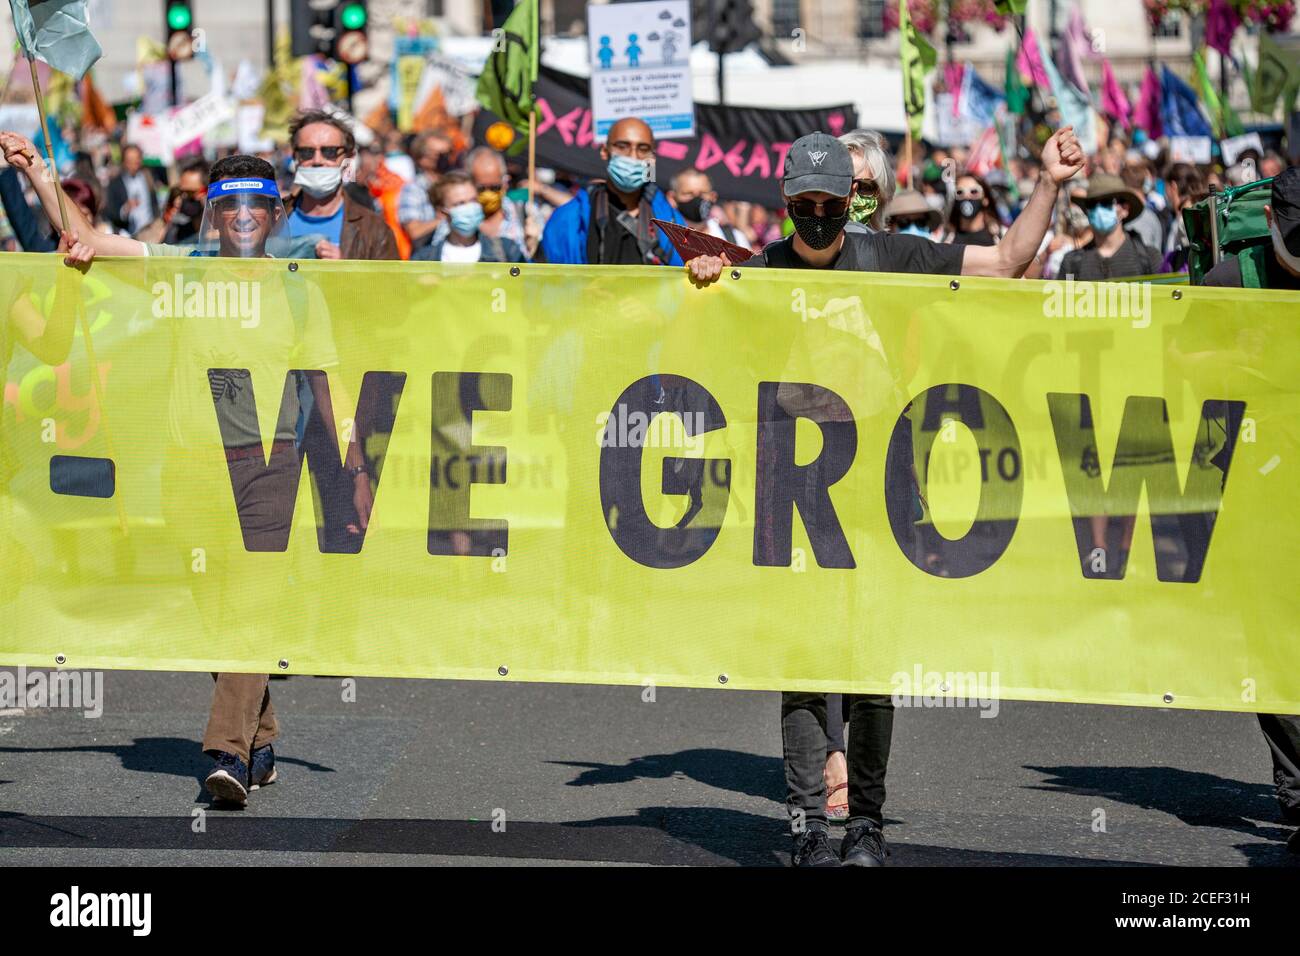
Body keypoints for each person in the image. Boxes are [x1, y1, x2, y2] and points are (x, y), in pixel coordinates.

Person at [687, 127, 1085, 867]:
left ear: (851, 203)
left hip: (879, 499)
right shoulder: (760, 271)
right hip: (798, 498)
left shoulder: (892, 257)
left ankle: (864, 825)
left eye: (830, 202)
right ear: (784, 204)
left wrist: (1049, 184)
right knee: (805, 670)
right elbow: (694, 348)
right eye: (802, 203)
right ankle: (807, 827)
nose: (817, 215)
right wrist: (705, 280)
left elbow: (1006, 261)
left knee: (871, 672)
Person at [0, 132, 373, 806]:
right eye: (229, 206)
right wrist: (36, 171)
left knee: (252, 605)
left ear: (274, 211)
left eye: (256, 204)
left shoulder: (298, 287)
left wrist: (355, 464)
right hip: (189, 464)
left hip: (270, 463)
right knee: (211, 613)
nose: (243, 217)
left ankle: (225, 755)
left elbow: (328, 380)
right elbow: (90, 237)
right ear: (212, 212)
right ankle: (260, 735)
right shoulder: (184, 265)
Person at [1194, 167, 1300, 856]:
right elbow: (1176, 364)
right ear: (1270, 227)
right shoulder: (1230, 283)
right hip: (1261, 493)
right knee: (1272, 642)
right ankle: (1296, 792)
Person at [539, 117, 686, 266]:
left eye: (643, 149)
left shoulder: (670, 220)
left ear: (652, 158)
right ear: (604, 151)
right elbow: (545, 281)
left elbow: (687, 272)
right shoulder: (569, 219)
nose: (633, 156)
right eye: (623, 146)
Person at [284, 110, 399, 261]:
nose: (317, 160)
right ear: (295, 157)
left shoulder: (375, 230)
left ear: (349, 158)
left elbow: (390, 284)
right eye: (307, 152)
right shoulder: (271, 219)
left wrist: (345, 270)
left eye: (330, 152)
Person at [1058, 174, 1161, 280]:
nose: (1098, 210)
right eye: (1092, 204)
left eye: (1106, 202)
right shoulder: (1071, 264)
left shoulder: (1149, 259)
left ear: (1125, 209)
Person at [412, 172, 524, 263]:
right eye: (460, 204)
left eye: (473, 200)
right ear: (442, 212)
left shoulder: (506, 250)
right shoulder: (424, 260)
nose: (470, 207)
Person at [465, 146, 536, 259]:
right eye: (481, 188)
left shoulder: (525, 211)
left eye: (494, 187)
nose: (488, 194)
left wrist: (535, 246)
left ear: (505, 182)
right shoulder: (460, 218)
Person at [668, 167, 750, 252]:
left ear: (713, 197)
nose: (696, 199)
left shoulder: (735, 239)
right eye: (688, 193)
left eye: (702, 193)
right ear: (672, 198)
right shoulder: (664, 238)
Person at [397, 131, 454, 251]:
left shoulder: (458, 184)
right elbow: (414, 231)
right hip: (429, 258)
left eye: (449, 153)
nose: (446, 159)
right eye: (439, 154)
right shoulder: (413, 189)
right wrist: (446, 219)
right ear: (422, 158)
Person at [838, 129, 895, 232]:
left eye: (865, 186)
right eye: (842, 183)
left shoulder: (885, 247)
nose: (851, 196)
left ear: (881, 195)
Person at [105, 144, 160, 236]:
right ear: (124, 161)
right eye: (130, 160)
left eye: (137, 158)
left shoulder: (148, 177)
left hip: (149, 231)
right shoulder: (115, 183)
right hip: (128, 234)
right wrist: (125, 209)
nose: (135, 162)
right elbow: (110, 211)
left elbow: (155, 203)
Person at [943, 172, 1002, 245]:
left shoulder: (1001, 236)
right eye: (960, 192)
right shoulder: (944, 237)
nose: (967, 196)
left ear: (985, 200)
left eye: (974, 191)